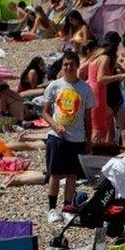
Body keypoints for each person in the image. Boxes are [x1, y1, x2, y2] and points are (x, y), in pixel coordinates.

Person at [42, 51, 95, 223]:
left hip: (77, 137)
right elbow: (44, 112)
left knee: (72, 175)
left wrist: (89, 139)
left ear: (77, 66)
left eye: (72, 64)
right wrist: (55, 125)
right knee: (55, 174)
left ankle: (66, 208)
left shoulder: (85, 88)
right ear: (62, 66)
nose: (69, 67)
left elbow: (88, 117)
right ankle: (51, 209)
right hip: (57, 137)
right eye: (66, 64)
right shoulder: (54, 86)